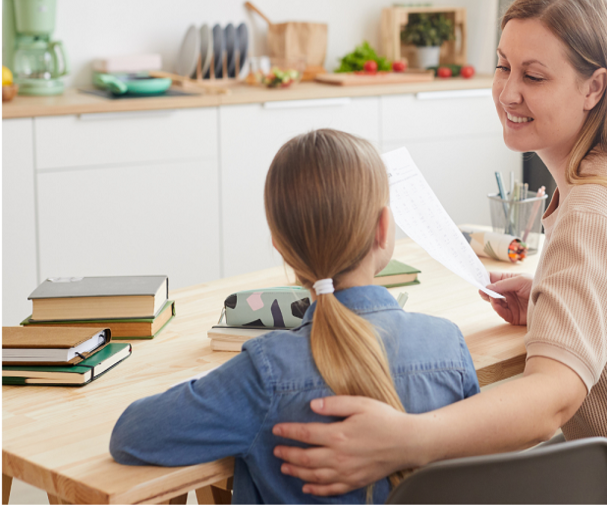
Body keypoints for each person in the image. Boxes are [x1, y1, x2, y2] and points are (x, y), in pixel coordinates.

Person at [271, 0, 607, 504]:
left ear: (593, 88)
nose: (509, 93)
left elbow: (550, 401)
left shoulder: (596, 208)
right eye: (503, 66)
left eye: (533, 76)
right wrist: (554, 294)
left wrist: (405, 440)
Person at [109, 129, 480, 504]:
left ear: (281, 249)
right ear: (384, 229)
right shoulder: (448, 344)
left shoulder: (264, 373)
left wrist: (222, 382)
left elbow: (130, 435)